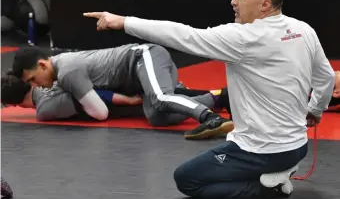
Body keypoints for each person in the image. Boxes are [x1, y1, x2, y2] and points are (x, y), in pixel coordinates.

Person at [83, 0, 335, 198]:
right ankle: (276, 172)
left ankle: (267, 187)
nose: (233, 2)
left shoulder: (244, 38)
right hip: (298, 148)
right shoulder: (303, 29)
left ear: (264, 4)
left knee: (187, 179)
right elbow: (325, 78)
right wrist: (315, 110)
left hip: (262, 152)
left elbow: (184, 35)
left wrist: (124, 22)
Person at [10, 42, 234, 140]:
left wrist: (72, 95)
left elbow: (100, 113)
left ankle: (210, 118)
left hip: (143, 57)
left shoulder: (67, 72)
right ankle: (219, 98)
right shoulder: (62, 70)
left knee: (159, 99)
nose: (36, 85)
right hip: (138, 78)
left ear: (42, 65)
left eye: (33, 79)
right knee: (157, 117)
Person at [1, 72, 232, 131]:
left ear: (10, 104)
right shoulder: (51, 77)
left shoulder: (44, 109)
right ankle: (221, 96)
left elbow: (89, 96)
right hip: (121, 83)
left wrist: (126, 100)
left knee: (160, 110)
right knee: (167, 97)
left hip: (121, 97)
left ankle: (220, 97)